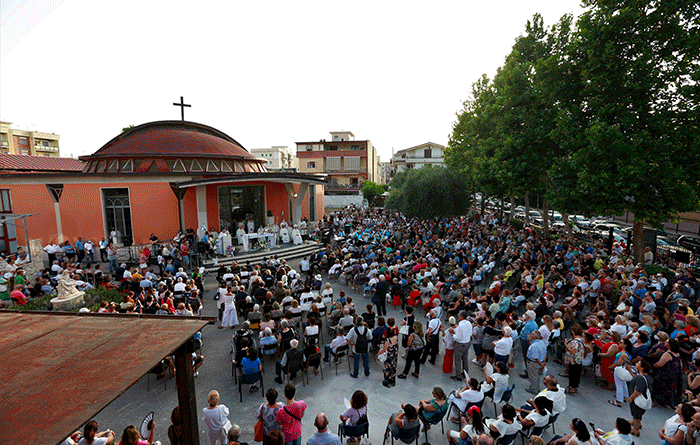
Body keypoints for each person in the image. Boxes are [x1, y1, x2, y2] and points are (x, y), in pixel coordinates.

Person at [451, 310, 473, 381]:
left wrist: (453, 335)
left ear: (460, 316)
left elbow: (458, 337)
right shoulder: (469, 323)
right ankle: (465, 373)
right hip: (467, 342)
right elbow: (470, 333)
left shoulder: (460, 325)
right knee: (465, 358)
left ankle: (458, 376)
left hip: (460, 344)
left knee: (458, 360)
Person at [564, 324, 585, 395]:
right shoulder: (581, 340)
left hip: (574, 360)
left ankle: (572, 389)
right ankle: (574, 387)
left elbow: (573, 351)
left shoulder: (575, 342)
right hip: (579, 360)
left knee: (573, 375)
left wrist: (566, 345)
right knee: (576, 375)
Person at [524, 330, 548, 394]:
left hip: (534, 363)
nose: (531, 335)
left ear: (534, 336)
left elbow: (536, 357)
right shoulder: (542, 343)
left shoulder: (534, 346)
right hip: (541, 361)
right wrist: (543, 362)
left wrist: (541, 364)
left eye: (532, 334)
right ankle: (536, 387)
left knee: (533, 376)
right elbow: (545, 353)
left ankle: (534, 389)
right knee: (536, 375)